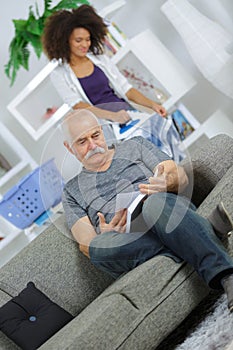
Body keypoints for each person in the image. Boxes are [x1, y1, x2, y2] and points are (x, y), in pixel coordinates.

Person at [61, 109, 233, 312]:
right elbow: (86, 244)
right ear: (69, 148)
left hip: (162, 211)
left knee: (154, 204)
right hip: (128, 240)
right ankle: (202, 229)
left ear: (102, 131)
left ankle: (226, 276)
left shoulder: (135, 146)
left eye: (95, 135)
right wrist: (107, 233)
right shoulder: (72, 191)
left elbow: (179, 175)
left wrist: (166, 182)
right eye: (82, 142)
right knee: (99, 247)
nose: (93, 145)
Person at [42, 4, 184, 162]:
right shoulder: (59, 75)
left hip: (127, 114)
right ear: (65, 41)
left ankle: (183, 175)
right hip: (106, 125)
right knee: (143, 160)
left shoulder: (100, 59)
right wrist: (113, 116)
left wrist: (152, 105)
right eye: (79, 40)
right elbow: (79, 105)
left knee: (164, 144)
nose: (85, 44)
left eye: (88, 39)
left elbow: (126, 88)